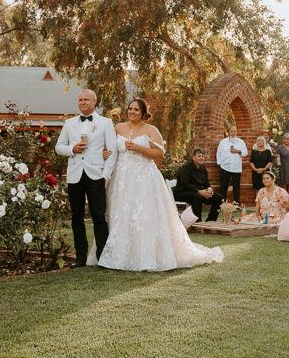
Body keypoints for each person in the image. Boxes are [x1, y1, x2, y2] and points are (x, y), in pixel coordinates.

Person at [89, 98, 223, 271]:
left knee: (144, 214)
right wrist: (106, 153)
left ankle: (145, 256)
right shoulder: (118, 127)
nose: (132, 112)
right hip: (121, 178)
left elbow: (159, 153)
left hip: (145, 177)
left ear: (143, 113)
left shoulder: (151, 130)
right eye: (130, 109)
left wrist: (139, 148)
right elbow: (110, 149)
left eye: (136, 110)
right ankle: (117, 255)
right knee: (119, 213)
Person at [55, 89, 118, 267]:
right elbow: (59, 147)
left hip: (96, 175)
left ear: (94, 101)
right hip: (75, 176)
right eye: (80, 99)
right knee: (77, 217)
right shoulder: (69, 123)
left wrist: (106, 175)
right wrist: (72, 149)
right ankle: (80, 258)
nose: (82, 102)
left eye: (86, 99)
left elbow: (111, 152)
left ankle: (103, 258)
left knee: (99, 217)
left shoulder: (105, 123)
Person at [173, 148, 223, 222]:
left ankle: (210, 221)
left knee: (219, 198)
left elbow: (206, 184)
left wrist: (209, 190)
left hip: (198, 193)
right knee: (197, 196)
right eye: (199, 156)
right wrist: (199, 191)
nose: (201, 158)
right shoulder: (186, 168)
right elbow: (185, 184)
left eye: (203, 156)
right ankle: (198, 222)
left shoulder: (203, 169)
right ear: (193, 157)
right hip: (182, 193)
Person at [216, 125, 247, 203]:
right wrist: (219, 163)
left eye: (234, 131)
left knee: (236, 186)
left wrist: (238, 151)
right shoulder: (223, 142)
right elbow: (218, 153)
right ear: (228, 132)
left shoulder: (241, 142)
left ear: (236, 132)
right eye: (231, 131)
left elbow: (245, 153)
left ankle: (236, 203)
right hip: (224, 167)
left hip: (236, 167)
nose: (233, 133)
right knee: (223, 186)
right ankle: (222, 203)